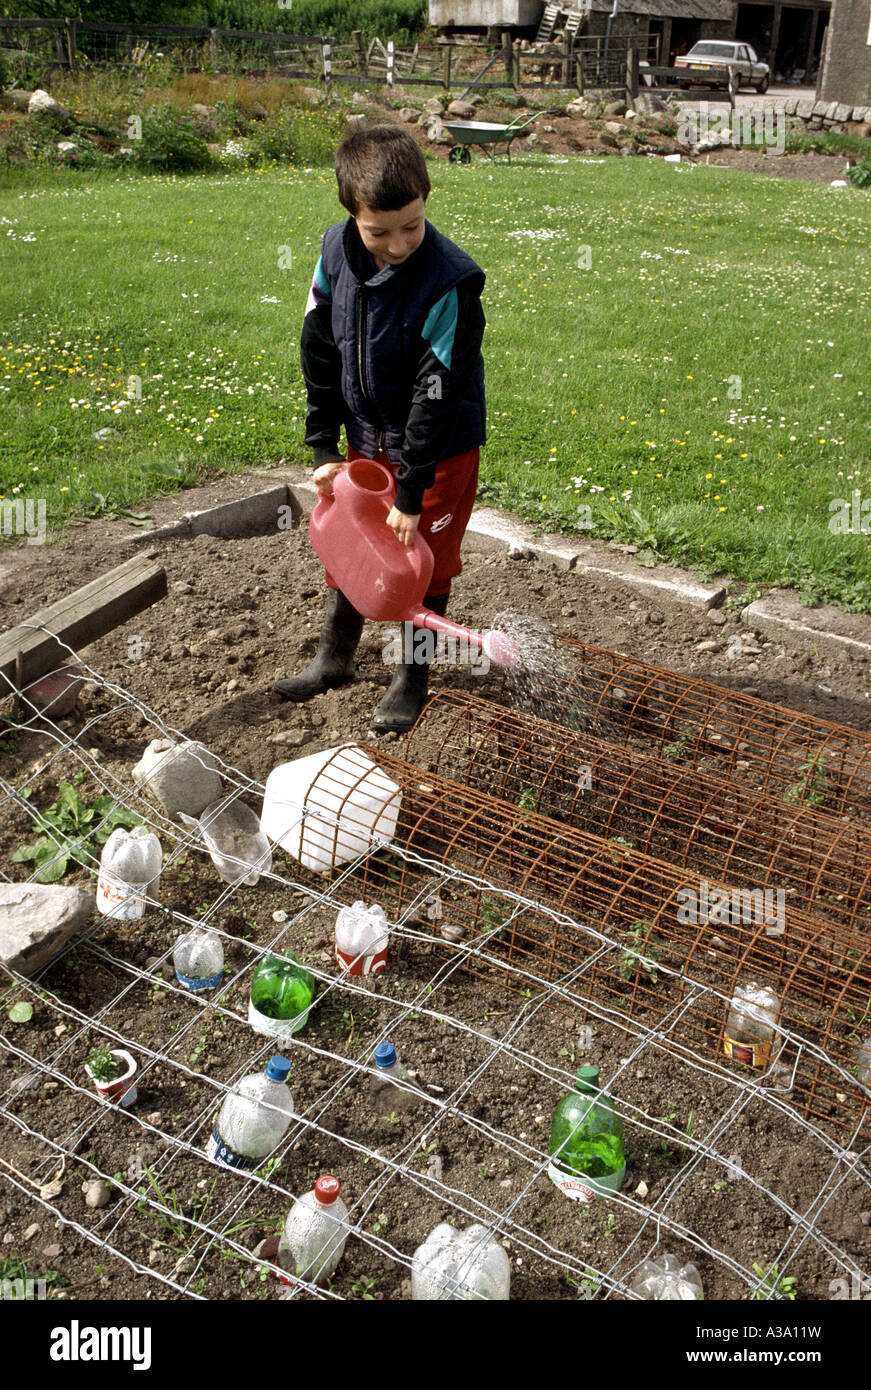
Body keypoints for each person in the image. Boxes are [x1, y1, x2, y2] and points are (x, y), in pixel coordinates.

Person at [274, 124, 486, 732]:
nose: (397, 244)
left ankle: (410, 676)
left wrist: (414, 491)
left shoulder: (451, 282)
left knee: (423, 561)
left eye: (411, 226)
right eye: (379, 231)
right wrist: (322, 445)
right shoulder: (334, 253)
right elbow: (319, 350)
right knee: (354, 546)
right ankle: (334, 659)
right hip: (365, 439)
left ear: (426, 199)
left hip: (437, 449)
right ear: (352, 213)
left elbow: (435, 390)